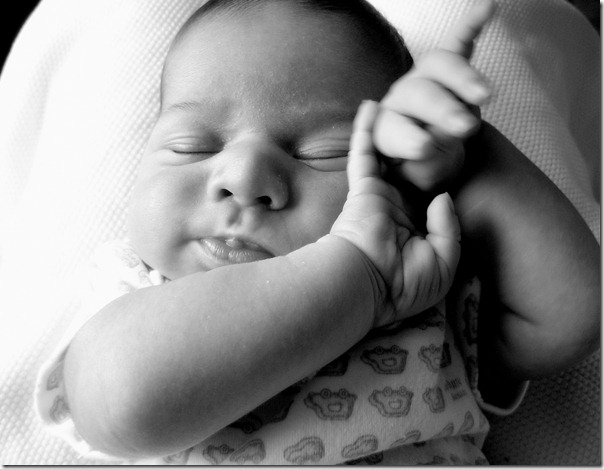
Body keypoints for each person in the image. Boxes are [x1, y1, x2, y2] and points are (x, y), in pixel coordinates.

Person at [34, 0, 600, 465]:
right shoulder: (138, 290)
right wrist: (354, 276)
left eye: (322, 152)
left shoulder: (421, 290)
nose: (245, 177)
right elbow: (123, 405)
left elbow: (572, 314)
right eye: (193, 146)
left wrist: (463, 156)